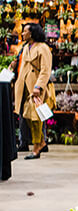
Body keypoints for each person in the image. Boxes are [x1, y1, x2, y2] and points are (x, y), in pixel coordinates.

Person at [9, 22, 52, 159]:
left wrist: (39, 86)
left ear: (32, 33)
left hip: (35, 88)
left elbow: (45, 70)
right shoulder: (26, 47)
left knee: (36, 118)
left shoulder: (43, 48)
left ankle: (36, 148)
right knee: (27, 116)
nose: (22, 33)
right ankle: (41, 142)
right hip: (24, 87)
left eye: (25, 31)